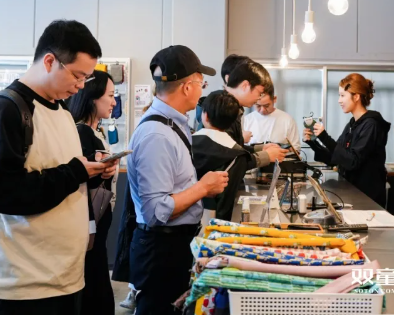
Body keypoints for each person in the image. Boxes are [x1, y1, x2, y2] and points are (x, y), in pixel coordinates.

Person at [0, 20, 119, 315]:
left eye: (86, 78)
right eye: (78, 75)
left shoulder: (61, 111)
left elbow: (59, 176)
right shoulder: (5, 110)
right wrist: (74, 173)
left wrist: (92, 173)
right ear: (49, 61)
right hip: (20, 285)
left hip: (63, 278)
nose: (81, 86)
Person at [123, 45, 229, 315]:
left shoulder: (173, 125)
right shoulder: (156, 135)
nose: (202, 90)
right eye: (201, 83)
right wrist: (203, 187)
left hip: (173, 246)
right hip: (161, 250)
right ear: (187, 87)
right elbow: (156, 211)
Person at [65, 70, 119, 315]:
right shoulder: (81, 132)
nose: (114, 102)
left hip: (96, 224)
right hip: (87, 225)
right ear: (92, 97)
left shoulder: (95, 131)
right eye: (110, 95)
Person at [304, 73, 390, 207]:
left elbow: (352, 161)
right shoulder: (352, 125)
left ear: (356, 97)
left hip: (367, 198)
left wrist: (324, 136)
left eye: (342, 95)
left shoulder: (371, 125)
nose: (339, 100)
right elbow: (335, 157)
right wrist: (312, 142)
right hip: (352, 193)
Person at [192, 90, 254, 223]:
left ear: (205, 116)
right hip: (213, 222)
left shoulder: (186, 143)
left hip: (183, 218)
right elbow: (226, 202)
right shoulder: (238, 155)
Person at [224, 59, 288, 166]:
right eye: (259, 93)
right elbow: (230, 158)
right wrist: (266, 156)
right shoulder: (223, 108)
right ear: (245, 86)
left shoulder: (234, 108)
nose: (259, 98)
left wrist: (260, 148)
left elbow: (236, 148)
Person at [193, 54, 249, 133]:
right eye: (246, 82)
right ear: (228, 79)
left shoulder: (236, 108)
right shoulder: (218, 108)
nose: (249, 87)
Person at [243, 82, 301, 152]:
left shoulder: (287, 119)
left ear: (274, 99)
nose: (262, 110)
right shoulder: (247, 120)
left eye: (266, 106)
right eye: (258, 106)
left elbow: (296, 149)